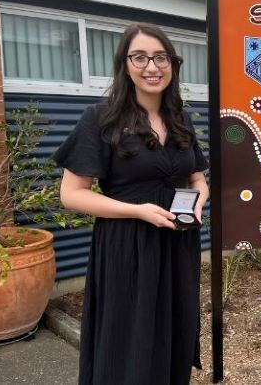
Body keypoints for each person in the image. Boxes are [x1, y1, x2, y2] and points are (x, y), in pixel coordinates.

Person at [53, 23, 209, 384]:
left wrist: (200, 199)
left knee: (174, 333)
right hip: (127, 247)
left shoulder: (181, 119)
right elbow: (72, 193)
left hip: (177, 242)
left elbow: (198, 179)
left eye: (160, 57)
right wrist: (137, 211)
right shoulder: (100, 118)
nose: (151, 67)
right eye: (140, 57)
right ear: (125, 65)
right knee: (129, 342)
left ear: (173, 64)